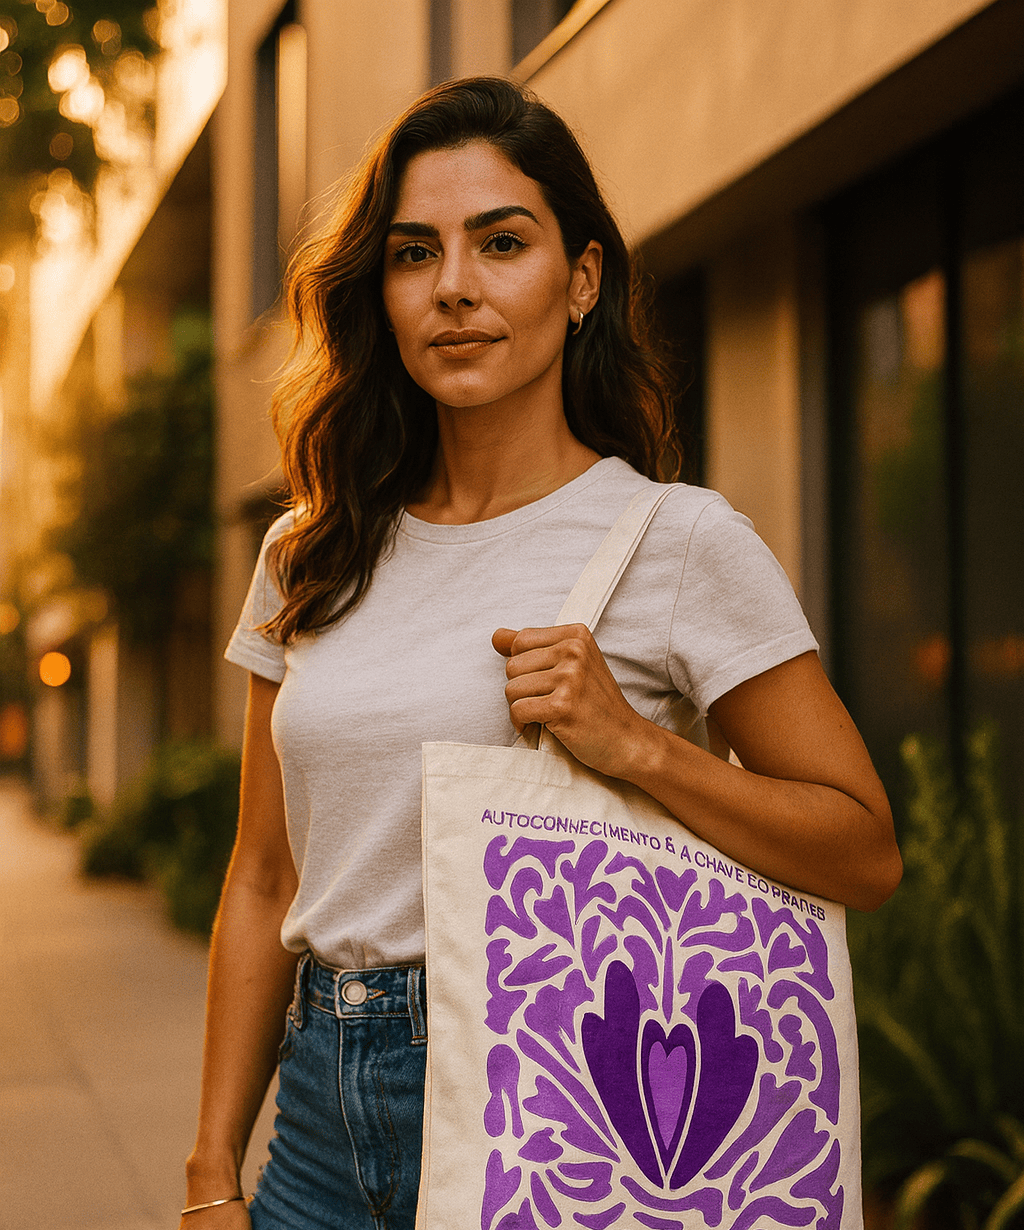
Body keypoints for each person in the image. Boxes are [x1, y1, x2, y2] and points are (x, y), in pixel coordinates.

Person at [181, 76, 901, 1230]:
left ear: (581, 281)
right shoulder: (309, 547)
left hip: (551, 1097)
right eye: (415, 253)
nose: (454, 287)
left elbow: (863, 851)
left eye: (500, 243)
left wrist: (635, 748)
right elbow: (266, 874)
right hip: (316, 1122)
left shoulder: (676, 542)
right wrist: (211, 1169)